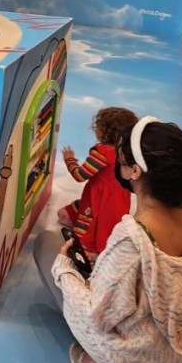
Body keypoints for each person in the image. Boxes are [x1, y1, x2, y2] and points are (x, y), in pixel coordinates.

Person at [34, 116, 182, 363]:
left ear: (135, 171)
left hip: (128, 356)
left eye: (121, 160)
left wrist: (65, 267)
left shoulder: (133, 236)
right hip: (174, 348)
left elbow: (97, 314)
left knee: (46, 245)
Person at [57, 107, 138, 257]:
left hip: (99, 201)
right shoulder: (128, 152)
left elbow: (80, 175)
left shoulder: (103, 153)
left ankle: (88, 254)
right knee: (106, 230)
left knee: (86, 235)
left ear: (103, 131)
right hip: (118, 201)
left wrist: (69, 160)